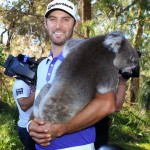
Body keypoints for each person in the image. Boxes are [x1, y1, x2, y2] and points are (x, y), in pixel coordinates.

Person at [27, 0, 128, 149]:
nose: (58, 25)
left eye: (65, 19)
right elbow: (38, 105)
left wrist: (62, 128)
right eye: (52, 19)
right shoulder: (43, 65)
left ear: (75, 25)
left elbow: (107, 104)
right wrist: (30, 125)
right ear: (46, 24)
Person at [12, 79, 36, 150]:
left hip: (35, 125)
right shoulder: (20, 83)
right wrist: (39, 90)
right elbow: (24, 105)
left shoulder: (30, 82)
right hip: (26, 128)